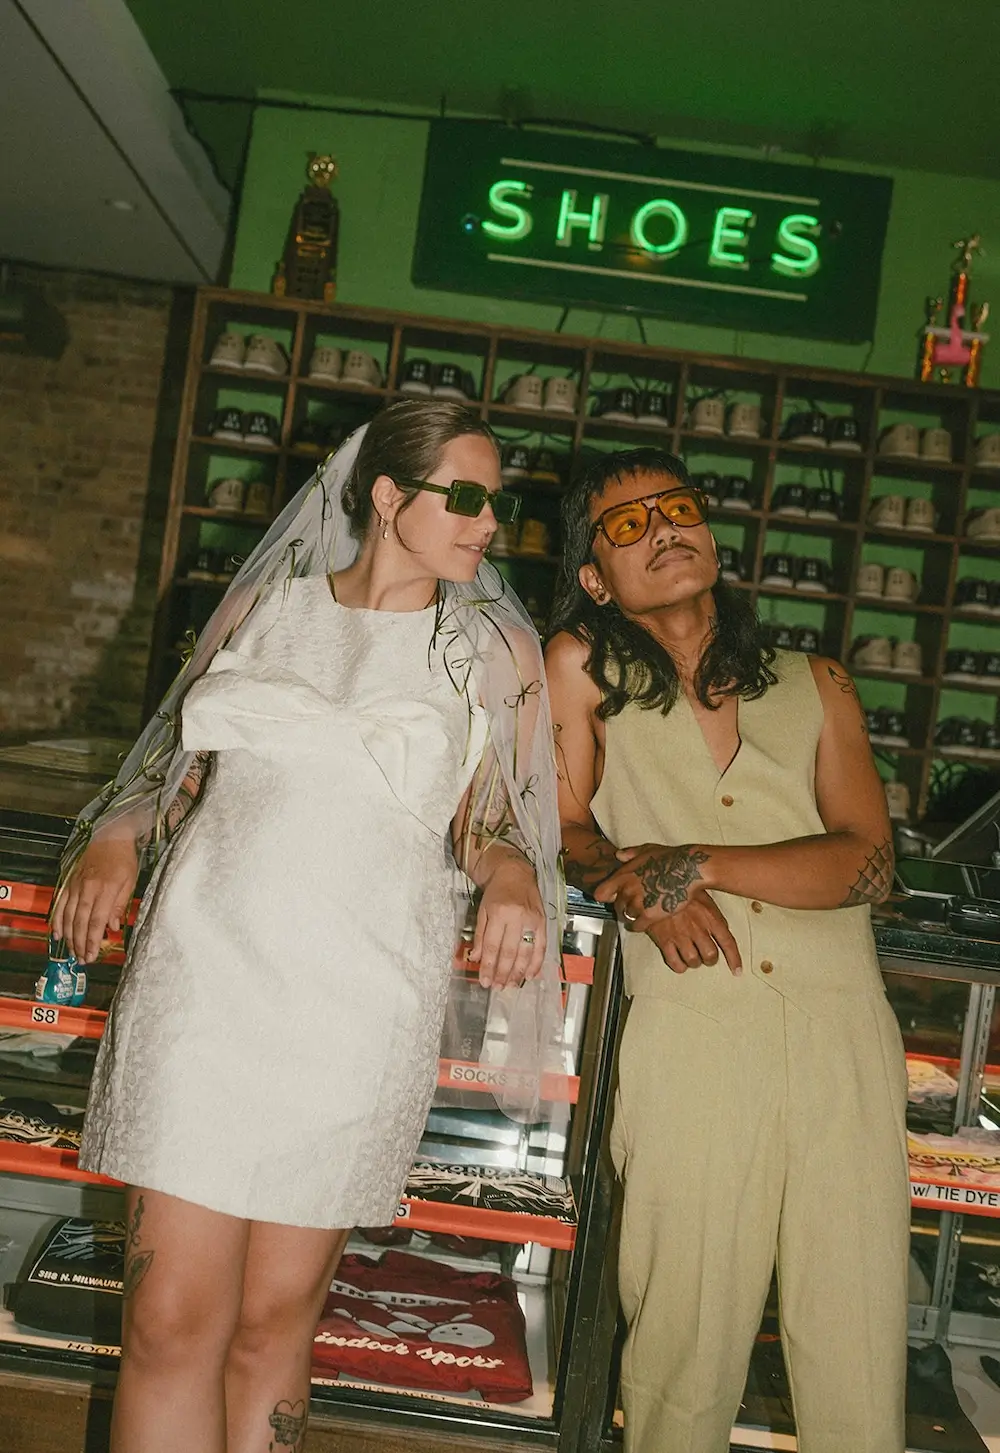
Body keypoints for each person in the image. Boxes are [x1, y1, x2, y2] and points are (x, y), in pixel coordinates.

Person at [53, 400, 564, 1453]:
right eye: (463, 497)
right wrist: (117, 833)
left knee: (271, 1324)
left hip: (358, 1000)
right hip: (205, 981)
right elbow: (164, 773)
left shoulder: (493, 649)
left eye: (494, 505)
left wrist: (513, 871)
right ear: (387, 497)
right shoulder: (263, 612)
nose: (485, 525)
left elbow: (498, 820)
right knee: (164, 1319)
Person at [544, 446, 909, 1453]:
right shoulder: (578, 669)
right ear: (592, 575)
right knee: (681, 1346)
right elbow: (561, 826)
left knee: (858, 1336)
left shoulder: (815, 682)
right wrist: (635, 885)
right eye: (626, 523)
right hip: (692, 1034)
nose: (662, 528)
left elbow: (869, 866)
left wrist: (692, 861)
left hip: (843, 1035)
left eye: (677, 508)